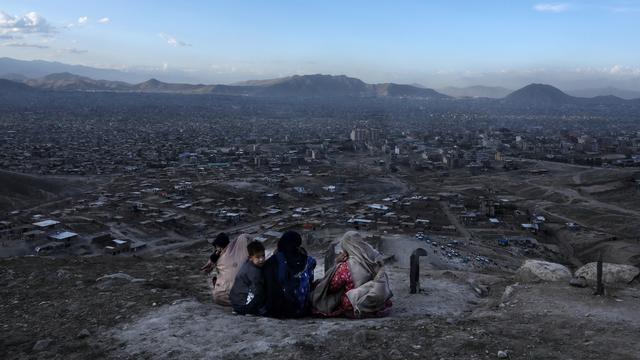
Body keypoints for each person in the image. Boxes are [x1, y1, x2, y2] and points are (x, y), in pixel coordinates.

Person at [312, 231, 393, 318]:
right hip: (373, 296)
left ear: (346, 247)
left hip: (357, 299)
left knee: (331, 295)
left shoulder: (346, 267)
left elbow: (333, 287)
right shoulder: (372, 257)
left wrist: (336, 263)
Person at [263, 231, 316, 318]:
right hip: (301, 309)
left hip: (277, 310)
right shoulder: (307, 260)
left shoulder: (273, 261)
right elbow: (310, 281)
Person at [201, 233, 250, 306]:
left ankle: (239, 303)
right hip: (246, 289)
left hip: (232, 291)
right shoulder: (240, 244)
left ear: (218, 247)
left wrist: (213, 258)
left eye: (217, 247)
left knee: (217, 296)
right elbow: (246, 236)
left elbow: (206, 271)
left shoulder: (218, 257)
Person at [230, 240, 267, 315]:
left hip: (235, 301)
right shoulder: (253, 271)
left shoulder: (248, 263)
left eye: (263, 256)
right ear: (250, 258)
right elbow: (257, 290)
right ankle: (248, 311)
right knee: (261, 294)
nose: (262, 259)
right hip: (242, 303)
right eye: (258, 257)